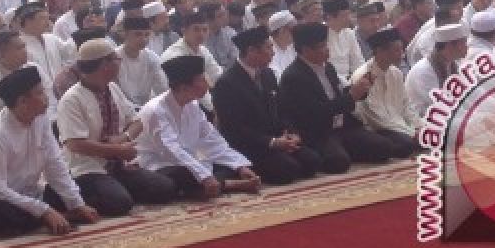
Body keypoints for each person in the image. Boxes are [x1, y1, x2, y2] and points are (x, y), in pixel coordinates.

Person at [0, 65, 100, 236]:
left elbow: (54, 164)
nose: (46, 98)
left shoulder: (41, 120)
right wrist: (44, 211)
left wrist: (77, 204)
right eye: (40, 93)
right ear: (22, 101)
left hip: (30, 195)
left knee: (80, 187)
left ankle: (54, 216)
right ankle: (52, 218)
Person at [57, 39, 176, 216]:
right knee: (120, 204)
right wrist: (116, 150)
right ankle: (66, 199)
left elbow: (137, 122)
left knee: (166, 188)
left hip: (119, 164)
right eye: (115, 59)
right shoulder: (71, 99)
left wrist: (123, 139)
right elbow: (75, 144)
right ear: (104, 65)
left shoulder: (112, 88)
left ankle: (115, 188)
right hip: (86, 168)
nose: (119, 62)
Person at [135, 54, 262, 198]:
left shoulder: (193, 105)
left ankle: (213, 184)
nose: (207, 83)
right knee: (176, 181)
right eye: (201, 80)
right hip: (160, 164)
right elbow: (172, 151)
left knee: (228, 166)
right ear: (183, 87)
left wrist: (240, 166)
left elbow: (211, 139)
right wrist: (204, 176)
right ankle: (231, 185)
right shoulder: (156, 111)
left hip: (189, 160)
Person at [277, 23, 393, 174]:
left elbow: (337, 96)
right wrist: (351, 96)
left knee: (385, 147)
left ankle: (346, 149)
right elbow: (316, 112)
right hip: (319, 132)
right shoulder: (293, 76)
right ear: (305, 50)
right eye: (321, 46)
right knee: (338, 163)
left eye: (326, 44)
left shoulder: (328, 67)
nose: (327, 49)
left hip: (342, 127)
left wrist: (358, 89)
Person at [211, 27, 320, 185]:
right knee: (288, 170)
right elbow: (234, 129)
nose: (273, 52)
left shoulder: (268, 74)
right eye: (268, 48)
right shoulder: (227, 83)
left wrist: (291, 133)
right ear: (252, 51)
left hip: (277, 139)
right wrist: (272, 142)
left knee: (313, 161)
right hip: (251, 145)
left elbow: (281, 110)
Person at [349, 29, 420, 157]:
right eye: (397, 50)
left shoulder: (396, 73)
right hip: (377, 129)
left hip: (399, 126)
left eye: (402, 49)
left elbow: (406, 105)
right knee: (407, 144)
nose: (402, 55)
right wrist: (410, 132)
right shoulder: (363, 76)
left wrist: (419, 126)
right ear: (380, 52)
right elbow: (375, 117)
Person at [405, 24, 469, 119]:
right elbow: (440, 104)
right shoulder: (424, 71)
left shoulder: (453, 64)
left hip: (447, 115)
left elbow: (465, 92)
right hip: (424, 120)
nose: (467, 46)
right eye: (463, 43)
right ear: (449, 46)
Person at [116, 17, 168, 108]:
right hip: (122, 109)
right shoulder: (114, 59)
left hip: (146, 108)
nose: (143, 39)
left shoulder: (152, 57)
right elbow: (115, 95)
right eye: (138, 34)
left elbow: (162, 89)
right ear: (125, 34)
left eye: (147, 35)